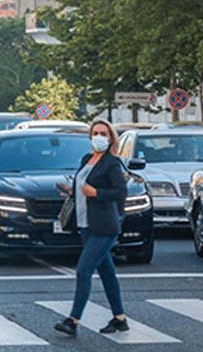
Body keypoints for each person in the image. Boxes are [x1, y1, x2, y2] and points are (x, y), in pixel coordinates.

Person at [54, 119, 128, 337]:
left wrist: (96, 193)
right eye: (95, 132)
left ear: (110, 137)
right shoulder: (87, 159)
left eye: (103, 133)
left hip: (104, 226)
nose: (99, 137)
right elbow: (83, 185)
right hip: (86, 224)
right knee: (107, 272)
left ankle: (73, 320)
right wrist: (71, 191)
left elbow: (120, 192)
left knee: (84, 270)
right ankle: (120, 318)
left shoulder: (112, 163)